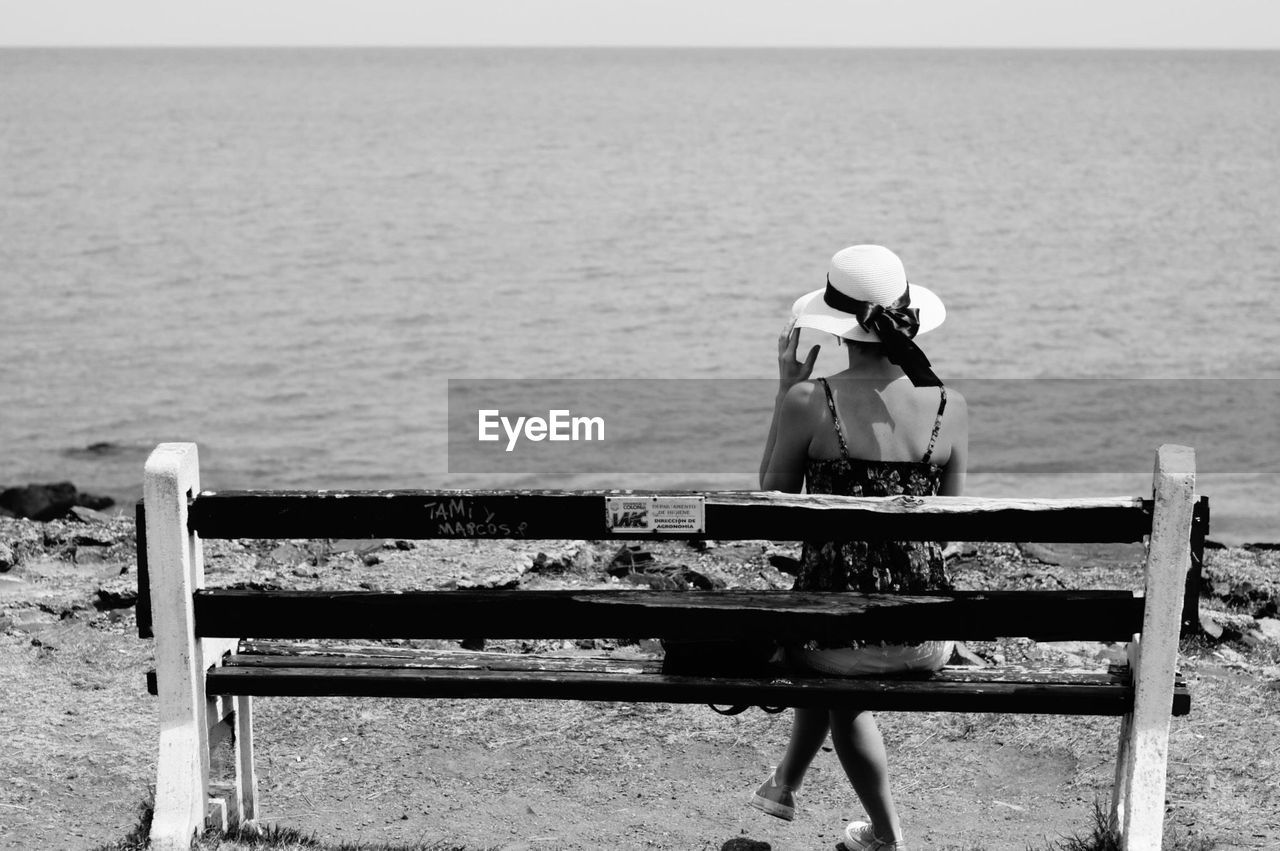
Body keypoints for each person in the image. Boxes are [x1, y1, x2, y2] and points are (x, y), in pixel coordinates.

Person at [753, 244, 968, 851]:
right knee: (831, 647)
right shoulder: (949, 407)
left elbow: (772, 502)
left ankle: (887, 833)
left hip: (834, 640)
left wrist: (784, 389)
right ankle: (783, 785)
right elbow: (948, 525)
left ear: (831, 324)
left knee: (833, 669)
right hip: (925, 637)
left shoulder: (809, 401)